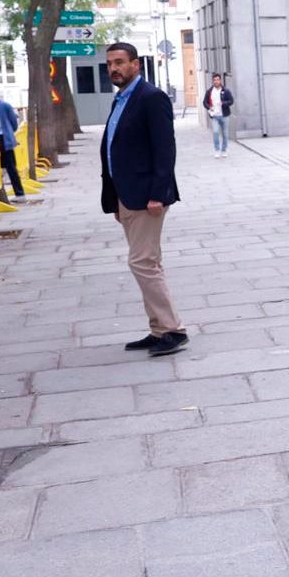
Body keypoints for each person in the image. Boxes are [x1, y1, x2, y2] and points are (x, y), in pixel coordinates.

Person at [101, 42, 187, 357]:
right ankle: (159, 329)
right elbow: (115, 149)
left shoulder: (151, 98)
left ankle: (173, 330)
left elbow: (165, 149)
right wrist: (115, 199)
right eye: (110, 63)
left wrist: (157, 194)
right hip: (127, 195)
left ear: (136, 64)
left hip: (146, 196)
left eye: (120, 62)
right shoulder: (121, 99)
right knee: (149, 261)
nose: (114, 68)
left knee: (142, 262)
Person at [203, 73, 234, 158]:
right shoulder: (209, 92)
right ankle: (217, 150)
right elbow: (204, 102)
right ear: (213, 81)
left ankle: (224, 150)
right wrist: (209, 107)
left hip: (224, 115)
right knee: (215, 132)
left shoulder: (226, 91)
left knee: (225, 134)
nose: (216, 81)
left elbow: (231, 101)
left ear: (220, 80)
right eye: (214, 80)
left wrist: (223, 103)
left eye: (217, 80)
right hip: (215, 116)